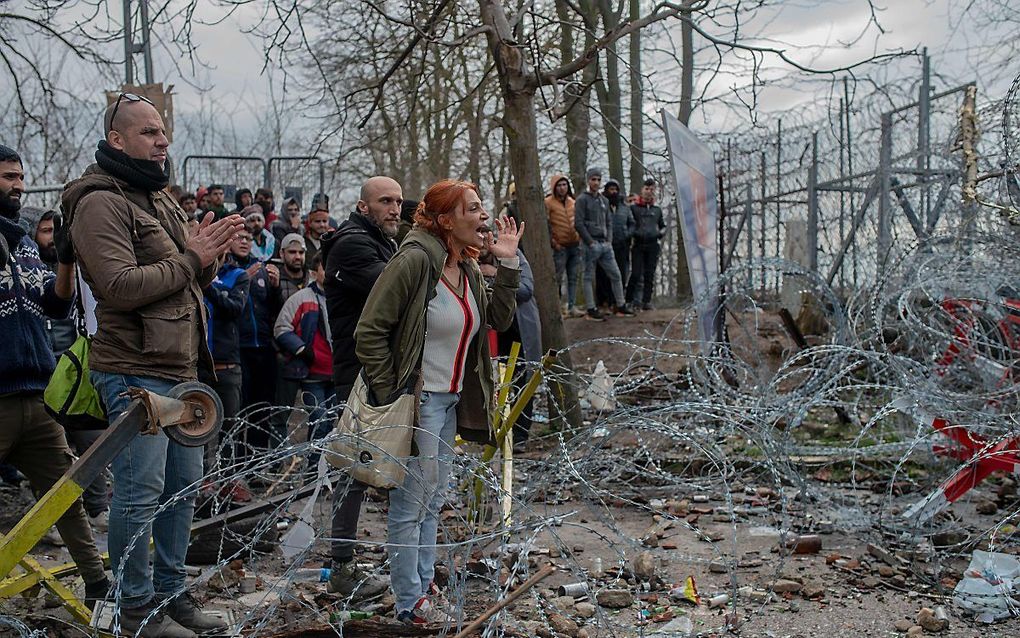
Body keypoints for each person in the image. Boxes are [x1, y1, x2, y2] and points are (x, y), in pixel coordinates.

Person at [65, 94, 244, 637]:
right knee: (140, 492)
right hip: (134, 370)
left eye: (163, 131)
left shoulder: (156, 197)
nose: (162, 140)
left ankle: (171, 596)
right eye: (148, 132)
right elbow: (118, 287)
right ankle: (132, 607)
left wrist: (206, 264)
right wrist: (191, 258)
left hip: (178, 369)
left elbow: (181, 281)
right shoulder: (101, 202)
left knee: (181, 489)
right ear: (117, 139)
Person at [355, 179, 523, 625]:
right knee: (411, 505)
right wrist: (393, 393)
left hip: (448, 402)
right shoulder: (413, 261)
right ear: (446, 219)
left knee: (433, 500)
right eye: (473, 208)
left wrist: (506, 264)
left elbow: (499, 319)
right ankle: (410, 602)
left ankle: (424, 584)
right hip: (418, 401)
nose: (483, 216)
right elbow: (369, 331)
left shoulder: (465, 267)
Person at [0, 144, 111, 609]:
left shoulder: (24, 241)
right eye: (8, 177)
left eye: (21, 176)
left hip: (36, 395)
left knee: (65, 493)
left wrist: (64, 259)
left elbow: (55, 302)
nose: (19, 185)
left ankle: (98, 581)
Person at [321, 176, 401, 599]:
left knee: (375, 465)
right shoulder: (353, 243)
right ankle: (342, 565)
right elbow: (397, 290)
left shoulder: (380, 240)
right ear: (363, 206)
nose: (394, 208)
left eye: (398, 201)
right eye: (385, 201)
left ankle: (377, 558)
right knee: (354, 467)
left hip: (378, 369)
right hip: (359, 372)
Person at [19, 205, 111, 531]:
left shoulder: (69, 269)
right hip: (41, 374)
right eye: (46, 232)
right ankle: (46, 521)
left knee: (93, 439)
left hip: (71, 369)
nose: (53, 239)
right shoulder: (19, 269)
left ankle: (97, 508)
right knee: (48, 457)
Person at [478, 232, 542, 449]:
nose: (481, 247)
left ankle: (520, 437)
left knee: (523, 383)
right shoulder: (468, 261)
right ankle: (492, 434)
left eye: (484, 241)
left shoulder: (512, 255)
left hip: (519, 332)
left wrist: (496, 275)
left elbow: (526, 289)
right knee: (493, 385)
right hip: (490, 336)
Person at [274, 252, 334, 468]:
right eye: (326, 268)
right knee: (319, 417)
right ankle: (313, 467)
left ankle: (321, 467)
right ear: (314, 272)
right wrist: (302, 349)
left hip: (335, 373)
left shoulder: (342, 298)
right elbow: (282, 328)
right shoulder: (302, 298)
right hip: (312, 373)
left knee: (329, 422)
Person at [199, 236, 250, 475]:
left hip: (227, 365)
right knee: (198, 428)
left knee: (230, 427)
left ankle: (230, 479)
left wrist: (208, 286)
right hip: (198, 365)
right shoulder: (191, 272)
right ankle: (202, 480)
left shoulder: (238, 275)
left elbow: (234, 308)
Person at [227, 229, 281, 413]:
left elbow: (273, 309)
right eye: (239, 238)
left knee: (263, 405)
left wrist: (275, 288)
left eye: (248, 239)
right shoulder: (225, 269)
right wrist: (243, 280)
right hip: (238, 347)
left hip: (264, 346)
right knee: (241, 405)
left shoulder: (261, 269)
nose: (244, 242)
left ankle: (259, 443)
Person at [574, 167, 635, 320]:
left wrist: (609, 240)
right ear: (588, 181)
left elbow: (609, 221)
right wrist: (590, 242)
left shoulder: (604, 200)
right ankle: (591, 308)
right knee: (588, 276)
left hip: (605, 245)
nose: (596, 182)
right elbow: (578, 223)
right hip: (590, 245)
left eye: (598, 179)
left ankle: (620, 305)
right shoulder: (582, 200)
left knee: (616, 274)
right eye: (593, 179)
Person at [544, 174, 583, 317]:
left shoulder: (572, 202)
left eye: (564, 185)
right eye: (559, 185)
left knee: (573, 277)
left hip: (575, 245)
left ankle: (572, 306)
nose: (562, 188)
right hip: (560, 247)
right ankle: (558, 308)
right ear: (554, 187)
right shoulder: (548, 202)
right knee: (558, 278)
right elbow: (546, 225)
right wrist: (553, 243)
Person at [626, 178, 666, 310]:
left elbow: (662, 226)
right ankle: (629, 300)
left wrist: (660, 233)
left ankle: (646, 301)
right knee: (636, 273)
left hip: (653, 244)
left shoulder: (657, 210)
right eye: (647, 189)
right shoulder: (634, 209)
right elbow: (629, 225)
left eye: (652, 189)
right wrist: (633, 234)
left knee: (650, 274)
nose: (649, 192)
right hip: (638, 244)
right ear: (642, 190)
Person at [605, 178, 635, 289]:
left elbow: (632, 223)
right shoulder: (603, 206)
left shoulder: (625, 207)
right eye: (611, 189)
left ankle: (620, 297)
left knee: (622, 271)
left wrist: (627, 234)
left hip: (622, 244)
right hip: (607, 244)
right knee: (605, 273)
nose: (613, 192)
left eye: (615, 189)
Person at [277, 233, 309, 302]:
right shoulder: (274, 280)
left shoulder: (312, 279)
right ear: (282, 254)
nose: (298, 257)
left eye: (301, 252)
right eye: (292, 252)